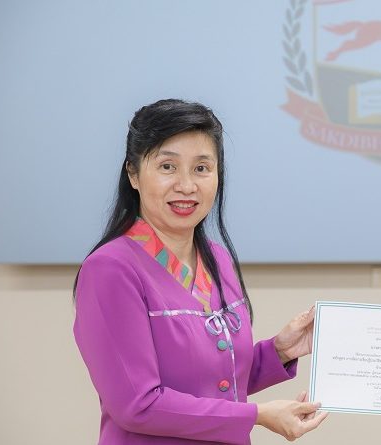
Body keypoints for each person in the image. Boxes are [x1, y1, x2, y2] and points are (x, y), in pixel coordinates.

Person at [73, 99, 328, 444]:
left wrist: (280, 350)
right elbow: (137, 405)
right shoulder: (110, 269)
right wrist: (257, 415)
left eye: (201, 168)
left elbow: (214, 381)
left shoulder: (217, 259)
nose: (187, 185)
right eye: (167, 166)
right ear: (133, 174)